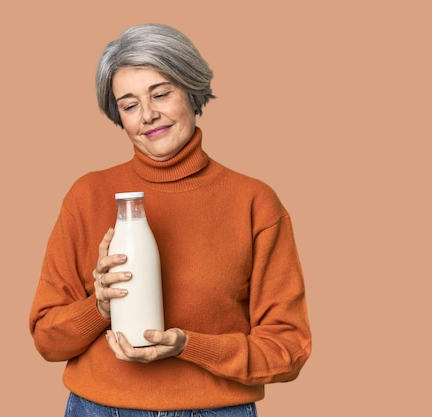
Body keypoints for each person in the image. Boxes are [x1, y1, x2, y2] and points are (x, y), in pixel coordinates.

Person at [29, 23, 311, 416]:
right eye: (129, 105)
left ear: (192, 92)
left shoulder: (254, 202)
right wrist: (101, 307)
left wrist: (189, 346)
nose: (148, 115)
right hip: (99, 409)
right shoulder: (88, 196)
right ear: (118, 117)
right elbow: (46, 339)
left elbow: (288, 349)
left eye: (161, 93)